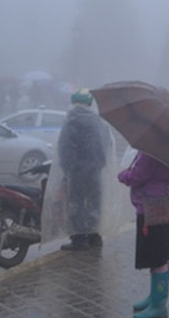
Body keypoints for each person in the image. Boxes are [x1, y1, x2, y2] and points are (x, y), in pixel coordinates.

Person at [117, 150, 169, 318]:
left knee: (157, 256)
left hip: (150, 208)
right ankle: (155, 297)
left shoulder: (152, 151)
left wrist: (123, 175)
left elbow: (138, 176)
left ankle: (158, 305)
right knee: (163, 253)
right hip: (163, 205)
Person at [57, 88, 110, 251]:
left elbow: (65, 147)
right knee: (94, 203)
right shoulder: (98, 121)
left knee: (77, 204)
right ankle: (94, 236)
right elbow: (105, 144)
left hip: (77, 171)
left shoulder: (71, 120)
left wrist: (67, 169)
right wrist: (99, 165)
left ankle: (79, 240)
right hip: (94, 171)